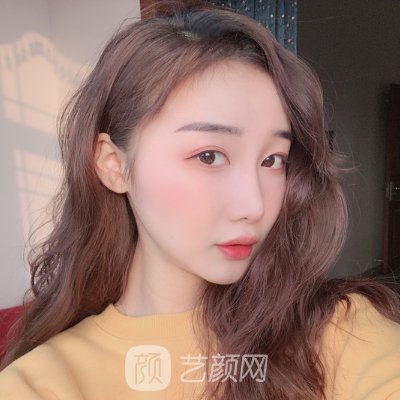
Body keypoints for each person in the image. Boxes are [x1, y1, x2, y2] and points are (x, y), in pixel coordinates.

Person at [1, 1, 399, 399]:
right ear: (114, 165)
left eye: (272, 160)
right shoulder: (42, 384)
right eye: (209, 156)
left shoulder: (339, 329)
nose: (255, 206)